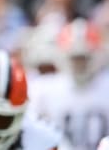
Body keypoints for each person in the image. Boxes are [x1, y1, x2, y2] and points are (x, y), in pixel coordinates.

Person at [28, 18, 109, 150]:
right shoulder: (45, 89)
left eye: (84, 58)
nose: (79, 65)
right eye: (75, 58)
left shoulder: (106, 85)